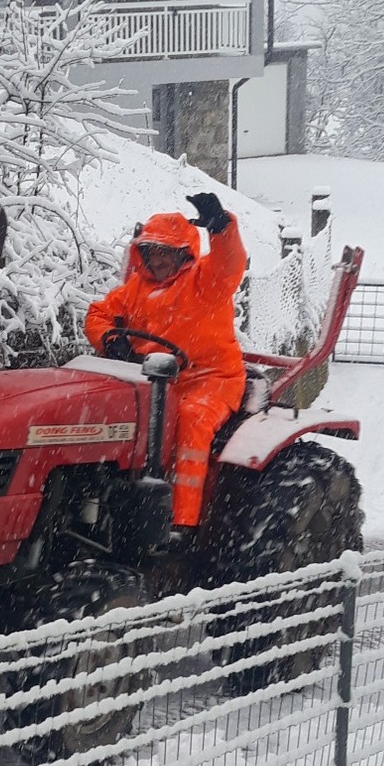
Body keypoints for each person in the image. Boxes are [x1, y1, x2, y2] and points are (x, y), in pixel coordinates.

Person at [83, 190, 247, 532]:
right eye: (151, 251)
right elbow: (98, 314)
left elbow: (230, 263)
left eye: (165, 252)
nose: (157, 260)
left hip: (210, 378)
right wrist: (111, 341)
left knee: (189, 420)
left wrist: (220, 227)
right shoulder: (135, 289)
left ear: (183, 254)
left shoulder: (206, 281)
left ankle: (178, 523)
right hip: (153, 380)